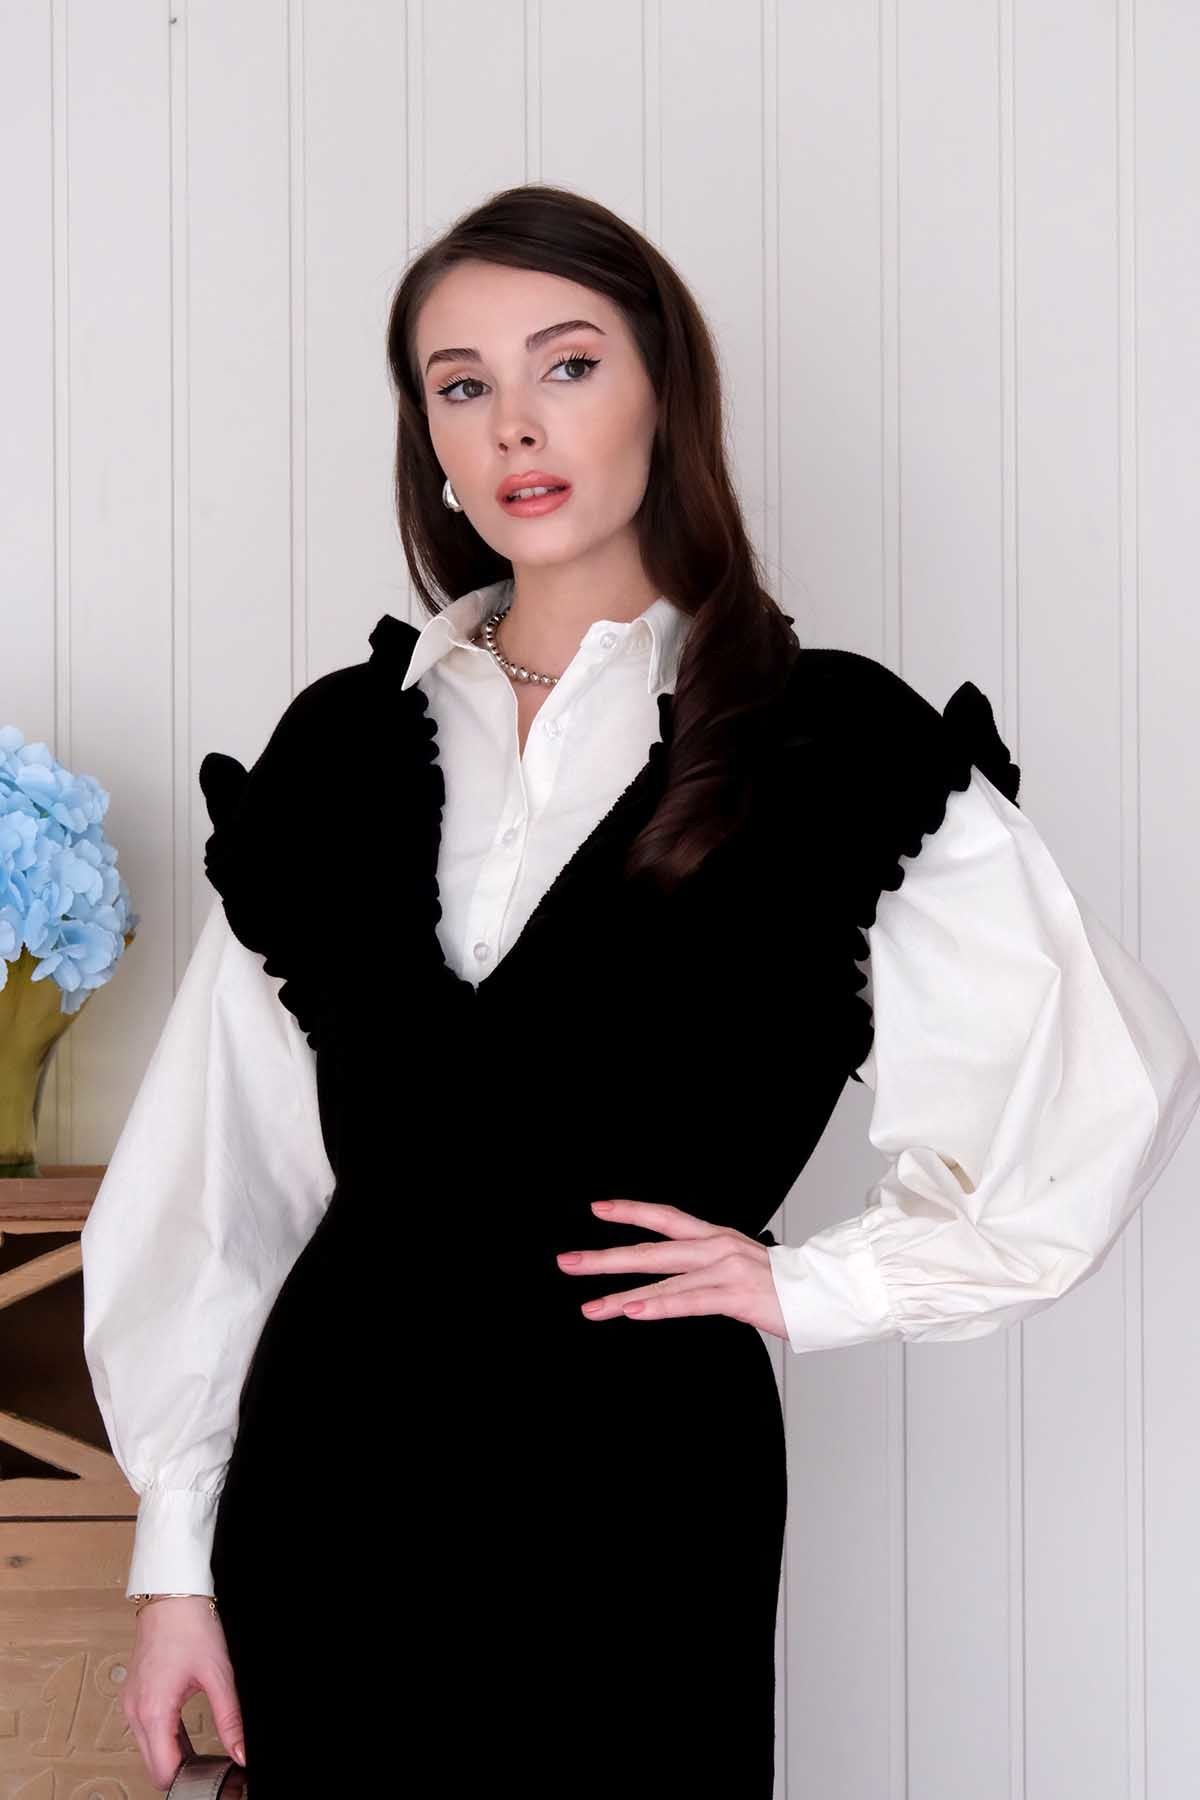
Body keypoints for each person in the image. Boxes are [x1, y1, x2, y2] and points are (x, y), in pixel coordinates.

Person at [80, 183, 1200, 1797]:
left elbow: (1099, 1089)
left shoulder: (823, 743)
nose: (514, 425)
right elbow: (221, 1180)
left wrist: (816, 1287)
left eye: (568, 364)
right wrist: (177, 1565)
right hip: (334, 1485)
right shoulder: (337, 750)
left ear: (664, 391)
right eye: (461, 385)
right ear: (429, 438)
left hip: (644, 1494)